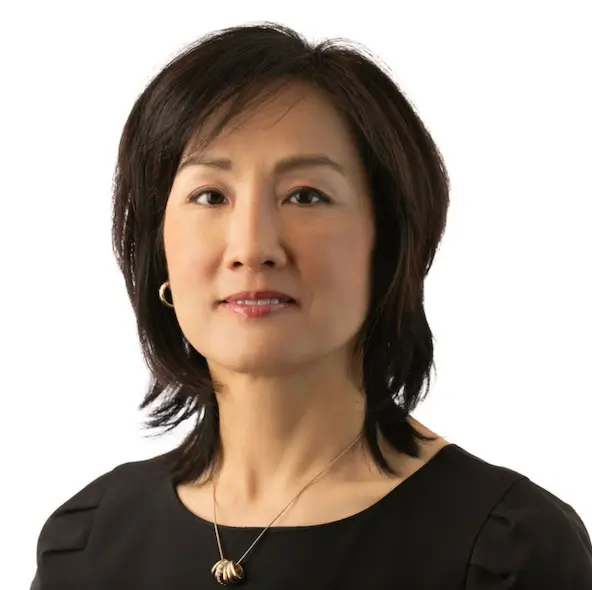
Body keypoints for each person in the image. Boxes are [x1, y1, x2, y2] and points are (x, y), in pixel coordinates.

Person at [30, 22, 592, 589]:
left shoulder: (505, 552)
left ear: (387, 243)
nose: (252, 247)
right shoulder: (86, 544)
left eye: (306, 195)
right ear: (160, 249)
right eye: (210, 195)